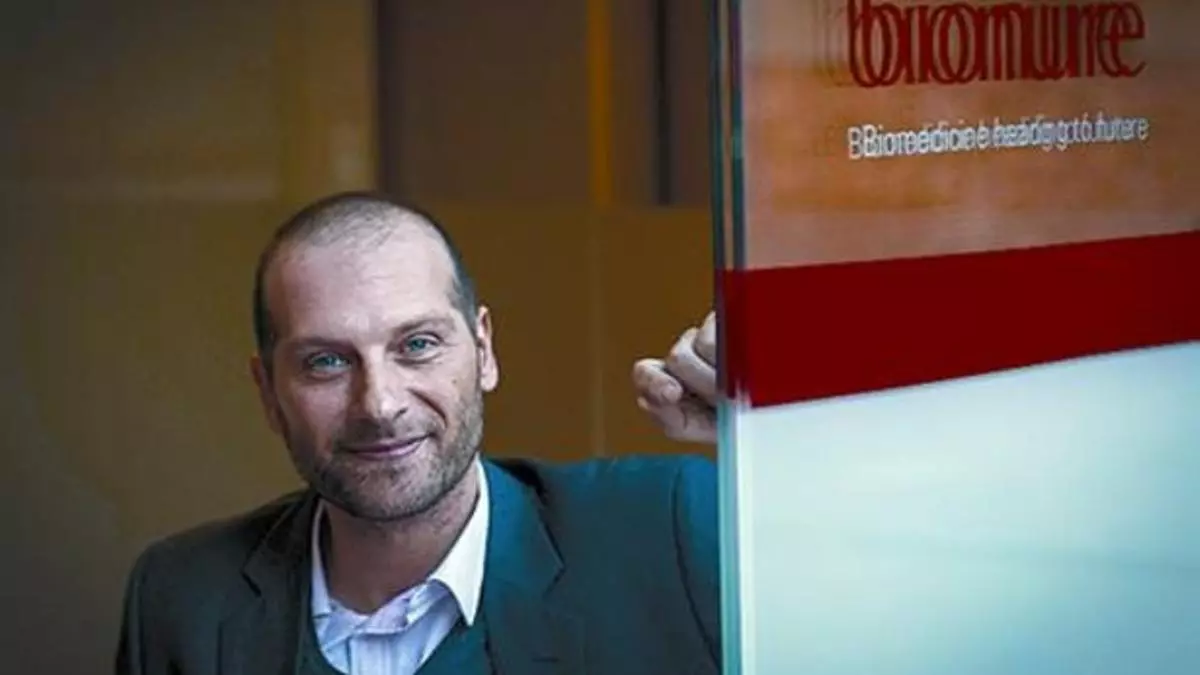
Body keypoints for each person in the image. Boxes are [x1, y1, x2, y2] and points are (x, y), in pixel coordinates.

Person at [114, 192, 720, 675]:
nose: (379, 404)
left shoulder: (671, 529)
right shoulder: (183, 599)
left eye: (418, 345)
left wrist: (769, 433)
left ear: (483, 351)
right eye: (326, 361)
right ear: (268, 391)